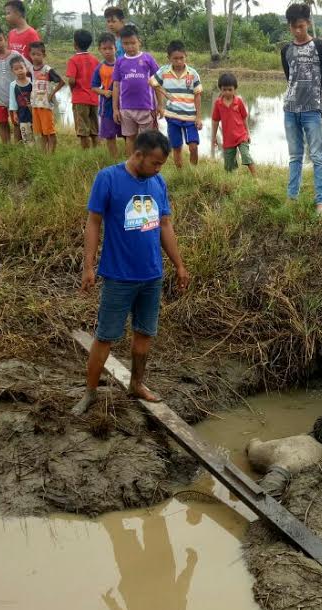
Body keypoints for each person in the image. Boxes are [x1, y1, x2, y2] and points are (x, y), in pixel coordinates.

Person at [72, 130, 190, 416]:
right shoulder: (108, 179)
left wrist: (179, 264)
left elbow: (164, 225)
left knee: (144, 333)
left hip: (151, 275)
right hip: (119, 276)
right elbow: (93, 223)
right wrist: (88, 266)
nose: (159, 169)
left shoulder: (158, 182)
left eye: (161, 165)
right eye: (156, 163)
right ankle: (89, 393)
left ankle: (137, 384)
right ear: (139, 155)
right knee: (106, 336)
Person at [281, 3, 322, 214]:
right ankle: (292, 197)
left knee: (317, 156)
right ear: (289, 26)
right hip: (291, 110)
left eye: (301, 26)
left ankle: (320, 201)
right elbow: (289, 77)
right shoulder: (286, 50)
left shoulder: (319, 46)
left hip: (312, 109)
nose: (297, 31)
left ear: (308, 23)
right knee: (295, 156)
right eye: (293, 27)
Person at [151, 40, 202, 169]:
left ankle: (193, 171)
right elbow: (152, 83)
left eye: (181, 58)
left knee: (193, 146)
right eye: (175, 59)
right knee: (176, 147)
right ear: (169, 58)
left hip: (190, 117)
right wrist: (161, 103)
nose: (179, 61)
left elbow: (197, 95)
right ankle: (180, 172)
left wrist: (199, 116)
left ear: (186, 56)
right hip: (172, 116)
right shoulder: (164, 71)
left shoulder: (193, 73)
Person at [111, 25, 158, 154]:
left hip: (146, 107)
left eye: (133, 43)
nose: (130, 47)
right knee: (130, 138)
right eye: (126, 44)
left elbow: (157, 83)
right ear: (121, 44)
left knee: (146, 139)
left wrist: (159, 106)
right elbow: (116, 85)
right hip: (126, 109)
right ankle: (130, 166)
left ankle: (145, 165)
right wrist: (115, 109)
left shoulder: (148, 59)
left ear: (139, 42)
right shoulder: (120, 62)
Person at [210, 72, 256, 178]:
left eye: (230, 89)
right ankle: (233, 181)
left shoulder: (238, 102)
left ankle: (256, 178)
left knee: (246, 156)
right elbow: (215, 121)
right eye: (224, 89)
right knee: (229, 166)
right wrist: (214, 138)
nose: (227, 92)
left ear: (235, 89)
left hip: (241, 136)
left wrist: (248, 133)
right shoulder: (218, 104)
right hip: (228, 139)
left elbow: (244, 118)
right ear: (220, 89)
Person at [65, 29, 99, 150]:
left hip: (80, 99)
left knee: (82, 128)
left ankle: (85, 152)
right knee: (94, 127)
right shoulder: (95, 60)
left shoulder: (73, 60)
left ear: (75, 44)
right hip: (94, 98)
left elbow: (71, 80)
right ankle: (96, 150)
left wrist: (72, 90)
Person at [28, 41, 63, 153]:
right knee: (41, 131)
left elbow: (61, 82)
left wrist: (52, 94)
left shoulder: (48, 70)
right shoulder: (30, 70)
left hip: (46, 105)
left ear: (44, 55)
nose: (35, 57)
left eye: (38, 54)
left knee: (49, 131)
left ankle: (51, 154)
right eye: (33, 54)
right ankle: (44, 153)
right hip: (35, 105)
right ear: (30, 55)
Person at [91, 32, 120, 158]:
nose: (108, 51)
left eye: (110, 48)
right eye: (104, 49)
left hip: (123, 105)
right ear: (99, 50)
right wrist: (104, 92)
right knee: (109, 135)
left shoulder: (122, 64)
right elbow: (94, 87)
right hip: (107, 107)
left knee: (127, 134)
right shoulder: (99, 68)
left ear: (116, 49)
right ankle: (114, 159)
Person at [7, 57, 33, 145]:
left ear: (26, 67)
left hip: (34, 113)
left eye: (21, 68)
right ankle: (29, 152)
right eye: (16, 69)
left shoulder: (32, 82)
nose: (20, 71)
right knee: (26, 135)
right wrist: (14, 113)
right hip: (22, 114)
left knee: (37, 134)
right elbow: (12, 100)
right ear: (12, 71)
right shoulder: (13, 85)